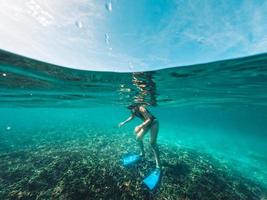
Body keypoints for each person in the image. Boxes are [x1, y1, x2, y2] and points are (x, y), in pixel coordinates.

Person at [119, 104, 161, 169]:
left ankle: (158, 166)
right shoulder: (133, 110)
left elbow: (149, 119)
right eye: (129, 108)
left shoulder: (141, 108)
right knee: (138, 138)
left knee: (153, 143)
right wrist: (124, 122)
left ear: (134, 105)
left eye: (131, 107)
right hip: (146, 124)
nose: (130, 108)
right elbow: (132, 117)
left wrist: (139, 126)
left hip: (153, 122)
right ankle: (142, 153)